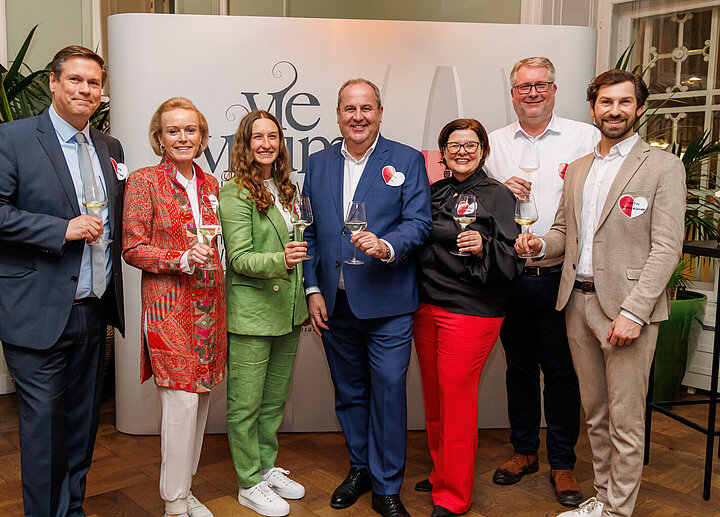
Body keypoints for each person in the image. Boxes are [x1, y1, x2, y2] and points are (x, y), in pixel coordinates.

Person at [515, 69, 686, 517]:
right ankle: (603, 498)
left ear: (639, 108)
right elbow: (562, 232)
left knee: (625, 420)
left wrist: (636, 312)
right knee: (594, 414)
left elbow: (667, 248)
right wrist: (539, 247)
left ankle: (617, 511)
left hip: (627, 310)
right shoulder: (579, 169)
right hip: (577, 303)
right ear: (593, 108)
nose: (615, 111)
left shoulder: (663, 167)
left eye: (624, 102)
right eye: (606, 102)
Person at [0, 45, 125, 516]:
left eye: (93, 83)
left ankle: (71, 510)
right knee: (44, 434)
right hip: (37, 313)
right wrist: (60, 229)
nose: (85, 90)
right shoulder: (12, 138)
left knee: (80, 428)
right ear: (53, 83)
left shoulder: (110, 148)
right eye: (75, 79)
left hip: (93, 313)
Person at [302, 78, 431, 517]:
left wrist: (388, 245)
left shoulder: (407, 159)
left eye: (366, 108)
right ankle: (360, 469)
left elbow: (419, 222)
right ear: (338, 115)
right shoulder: (318, 163)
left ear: (379, 112)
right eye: (349, 109)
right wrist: (313, 289)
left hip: (388, 302)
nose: (358, 117)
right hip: (335, 305)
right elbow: (310, 232)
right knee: (350, 392)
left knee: (389, 393)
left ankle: (387, 486)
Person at [483, 56, 599, 507]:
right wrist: (498, 192)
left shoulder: (584, 137)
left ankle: (563, 462)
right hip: (510, 275)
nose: (532, 93)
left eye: (540, 85)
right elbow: (474, 203)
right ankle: (525, 451)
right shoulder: (493, 144)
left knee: (562, 371)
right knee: (519, 368)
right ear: (512, 93)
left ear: (553, 89)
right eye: (523, 86)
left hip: (560, 275)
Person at [413, 118, 523, 517]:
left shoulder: (498, 195)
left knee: (457, 403)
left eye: (471, 144)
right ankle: (442, 471)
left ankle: (454, 495)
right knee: (435, 399)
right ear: (442, 153)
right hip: (427, 305)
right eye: (454, 145)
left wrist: (484, 244)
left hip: (471, 310)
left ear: (483, 150)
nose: (462, 151)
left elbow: (514, 256)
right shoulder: (432, 192)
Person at [122, 97, 226, 517]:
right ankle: (174, 502)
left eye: (190, 130)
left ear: (201, 136)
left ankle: (185, 488)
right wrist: (179, 259)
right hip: (168, 309)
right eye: (173, 131)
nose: (183, 138)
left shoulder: (212, 184)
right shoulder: (144, 181)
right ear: (159, 138)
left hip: (210, 307)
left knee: (200, 401)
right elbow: (132, 247)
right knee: (181, 404)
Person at [219, 110, 309, 517]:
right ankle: (248, 482)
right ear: (245, 143)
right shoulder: (235, 192)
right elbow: (238, 258)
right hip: (252, 314)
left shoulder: (286, 189)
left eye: (273, 136)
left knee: (273, 402)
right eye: (258, 137)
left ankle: (266, 467)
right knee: (245, 406)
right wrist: (281, 260)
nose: (266, 144)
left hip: (288, 311)